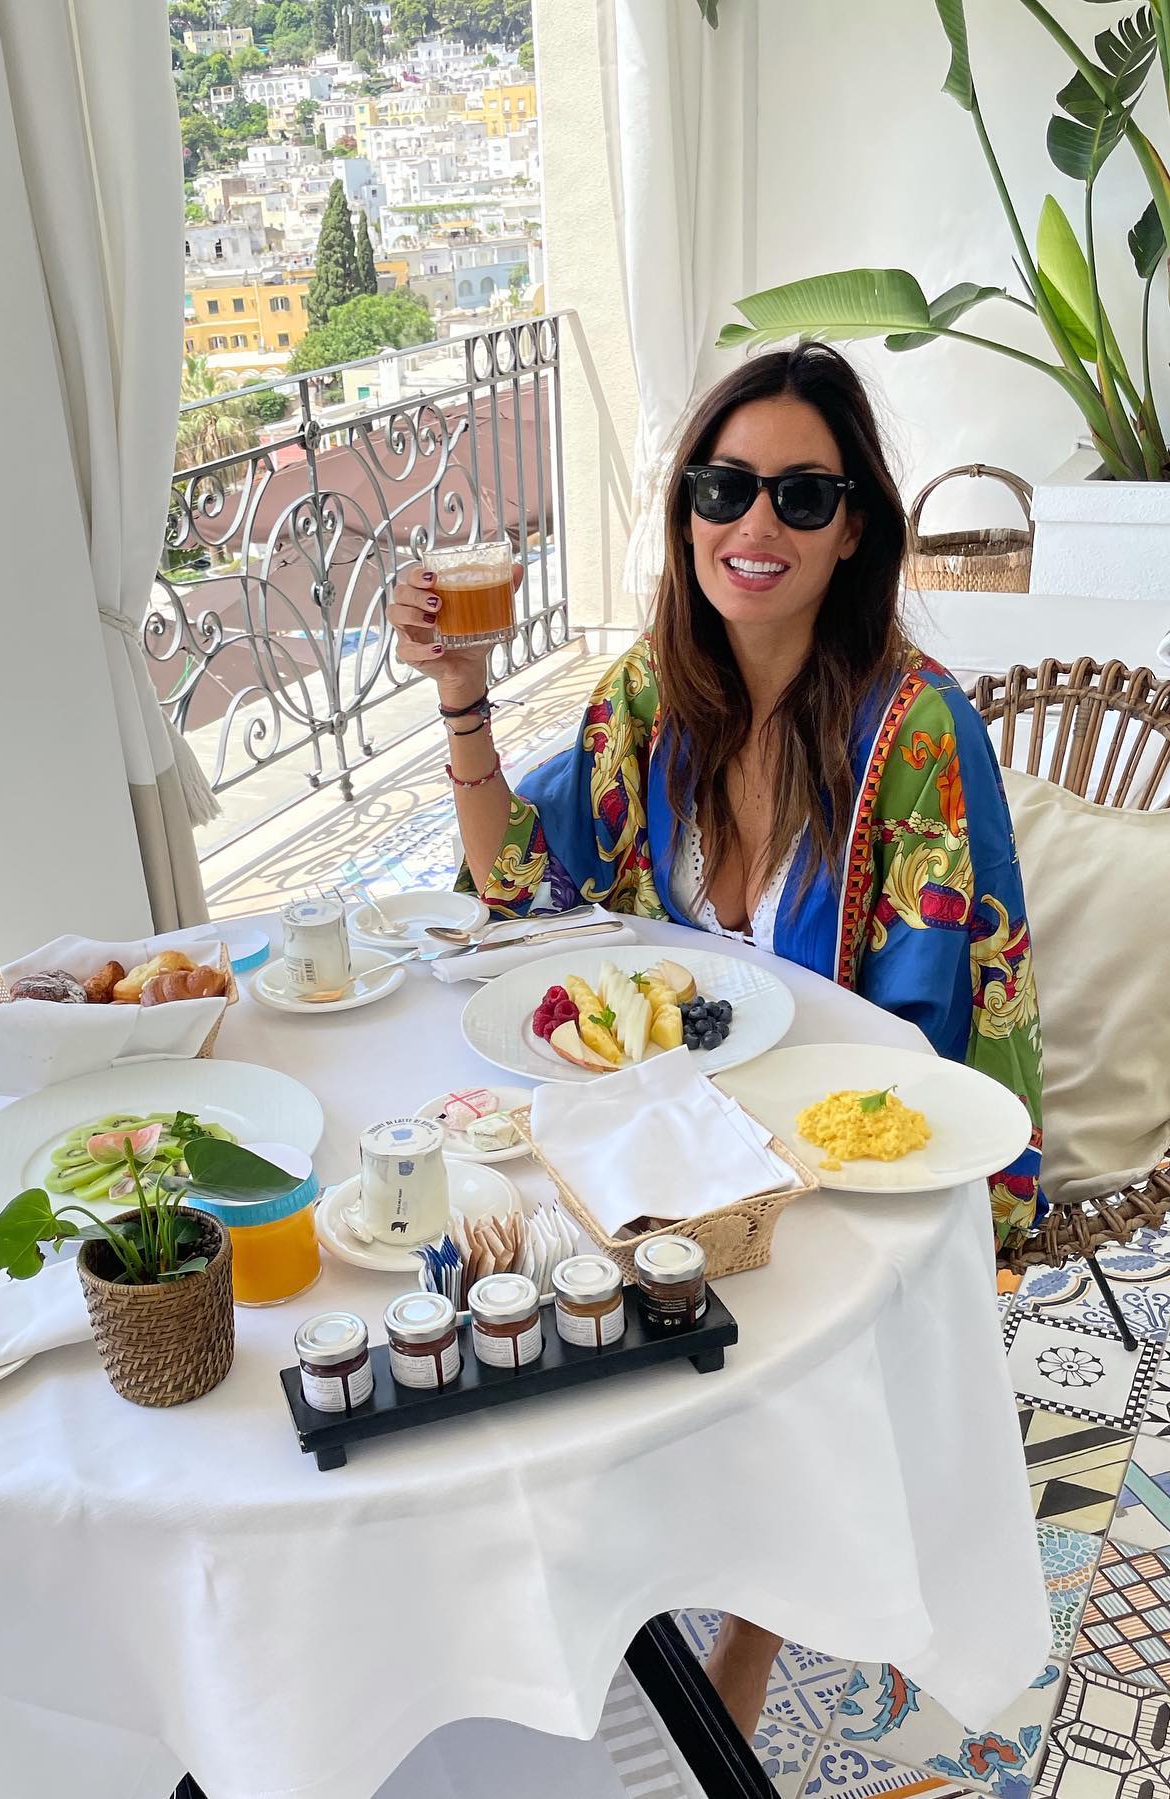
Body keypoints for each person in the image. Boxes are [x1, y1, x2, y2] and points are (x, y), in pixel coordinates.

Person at [389, 343, 1043, 1737]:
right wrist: (462, 692)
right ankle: (596, 1576)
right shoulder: (650, 702)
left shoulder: (916, 733)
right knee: (502, 1266)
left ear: (855, 525)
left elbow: (928, 1036)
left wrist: (796, 1150)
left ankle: (751, 1625)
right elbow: (517, 887)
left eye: (802, 498)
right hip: (673, 1128)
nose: (755, 528)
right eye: (723, 486)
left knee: (763, 1329)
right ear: (686, 507)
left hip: (838, 1153)